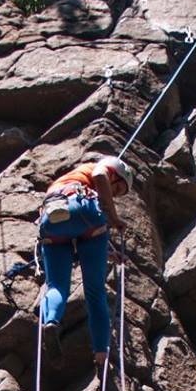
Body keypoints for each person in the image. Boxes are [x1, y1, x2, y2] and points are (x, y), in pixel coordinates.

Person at [34, 154, 131, 371]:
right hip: (84, 212)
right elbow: (99, 176)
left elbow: (74, 226)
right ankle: (101, 354)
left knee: (56, 286)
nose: (113, 195)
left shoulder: (64, 180)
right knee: (95, 292)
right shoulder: (98, 168)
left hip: (51, 221)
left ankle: (51, 322)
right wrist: (113, 218)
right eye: (117, 189)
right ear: (114, 173)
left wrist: (107, 253)